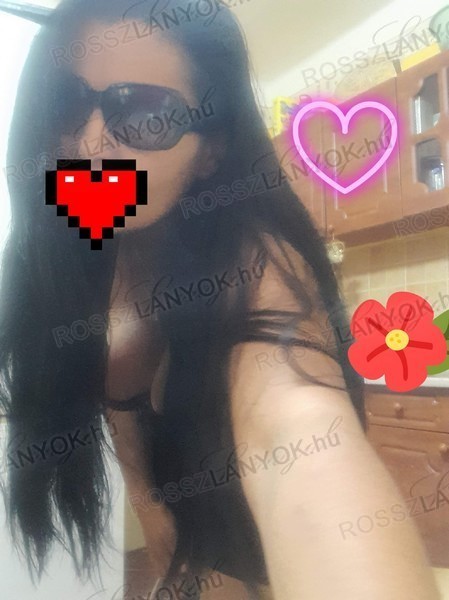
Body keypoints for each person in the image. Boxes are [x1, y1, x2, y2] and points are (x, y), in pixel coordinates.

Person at [0, 0, 441, 598]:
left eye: (146, 115)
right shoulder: (82, 257)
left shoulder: (255, 258)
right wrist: (175, 576)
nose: (88, 140)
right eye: (67, 101)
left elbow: (295, 428)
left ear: (210, 151)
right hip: (199, 563)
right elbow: (141, 473)